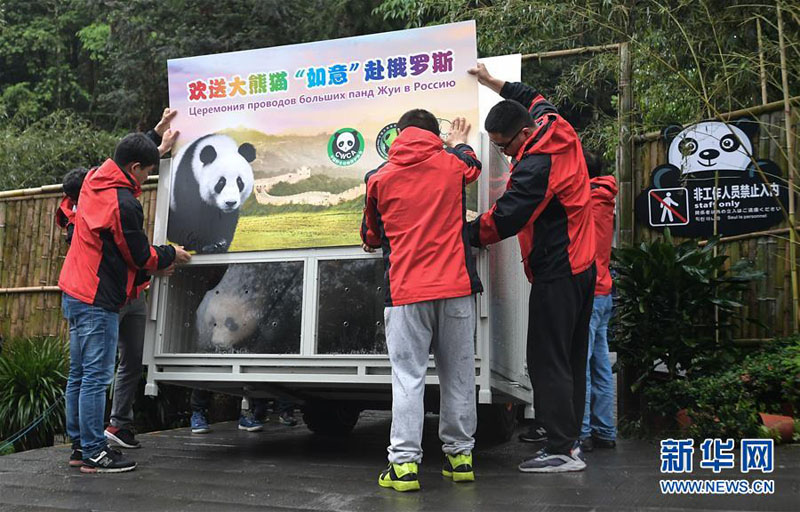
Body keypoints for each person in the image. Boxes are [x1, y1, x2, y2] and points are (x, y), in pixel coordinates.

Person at [467, 63, 596, 473]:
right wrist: (494, 83)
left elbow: (505, 219)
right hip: (583, 264)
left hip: (559, 268)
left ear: (523, 135)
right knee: (569, 357)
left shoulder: (537, 165)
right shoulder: (551, 123)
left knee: (546, 359)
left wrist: (459, 233)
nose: (503, 154)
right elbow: (531, 94)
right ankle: (570, 443)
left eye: (503, 147)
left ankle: (560, 449)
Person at [361, 109, 482, 492]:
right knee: (459, 375)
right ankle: (460, 457)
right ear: (434, 134)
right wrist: (456, 142)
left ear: (398, 134)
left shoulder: (377, 178)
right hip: (456, 289)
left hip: (406, 293)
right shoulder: (452, 164)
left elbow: (370, 235)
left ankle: (404, 467)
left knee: (408, 379)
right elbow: (473, 165)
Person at [59, 131, 191, 473]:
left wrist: (154, 140)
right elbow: (139, 254)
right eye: (146, 171)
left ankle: (79, 446)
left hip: (74, 291)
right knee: (95, 377)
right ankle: (93, 451)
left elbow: (123, 158)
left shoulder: (93, 180)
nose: (147, 178)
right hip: (96, 297)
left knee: (79, 374)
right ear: (134, 168)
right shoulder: (123, 204)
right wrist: (170, 254)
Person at [579, 149, 618, 453]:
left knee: (581, 364)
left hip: (588, 292)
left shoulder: (586, 200)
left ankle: (581, 432)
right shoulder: (605, 198)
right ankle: (604, 429)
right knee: (601, 365)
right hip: (604, 289)